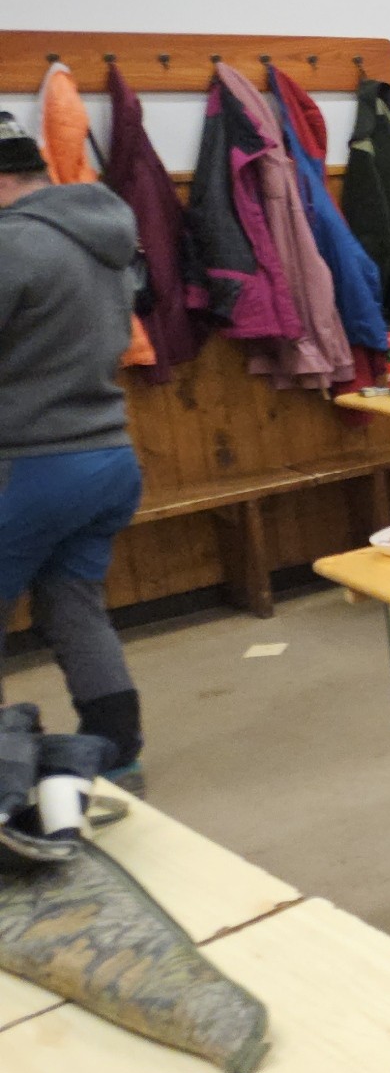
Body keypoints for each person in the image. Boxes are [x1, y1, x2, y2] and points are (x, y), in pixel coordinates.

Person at [0, 113, 151, 795]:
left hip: (28, 464)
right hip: (106, 456)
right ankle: (116, 754)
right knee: (72, 606)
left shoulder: (11, 244)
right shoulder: (99, 233)